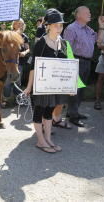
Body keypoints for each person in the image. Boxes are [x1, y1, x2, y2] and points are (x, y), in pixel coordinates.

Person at [24, 8, 68, 153]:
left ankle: (48, 139)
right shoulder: (41, 43)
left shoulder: (64, 43)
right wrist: (29, 87)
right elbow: (33, 66)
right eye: (56, 25)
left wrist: (70, 86)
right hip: (41, 84)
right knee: (39, 110)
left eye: (61, 25)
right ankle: (40, 141)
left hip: (55, 85)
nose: (59, 28)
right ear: (48, 26)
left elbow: (67, 67)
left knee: (49, 111)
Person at [63, 6, 104, 127]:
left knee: (81, 90)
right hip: (76, 61)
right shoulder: (72, 28)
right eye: (87, 12)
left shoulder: (89, 29)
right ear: (78, 15)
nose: (90, 14)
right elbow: (67, 48)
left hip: (87, 62)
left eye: (90, 12)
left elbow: (99, 41)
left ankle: (73, 112)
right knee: (75, 90)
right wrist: (71, 65)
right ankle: (73, 115)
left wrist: (101, 26)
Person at [2, 19, 30, 105]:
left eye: (21, 24)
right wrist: (3, 30)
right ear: (13, 25)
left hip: (19, 62)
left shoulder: (24, 36)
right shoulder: (9, 34)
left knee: (17, 82)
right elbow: (3, 41)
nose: (19, 25)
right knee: (7, 82)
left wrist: (24, 53)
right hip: (9, 63)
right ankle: (6, 100)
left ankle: (18, 100)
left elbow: (28, 48)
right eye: (18, 23)